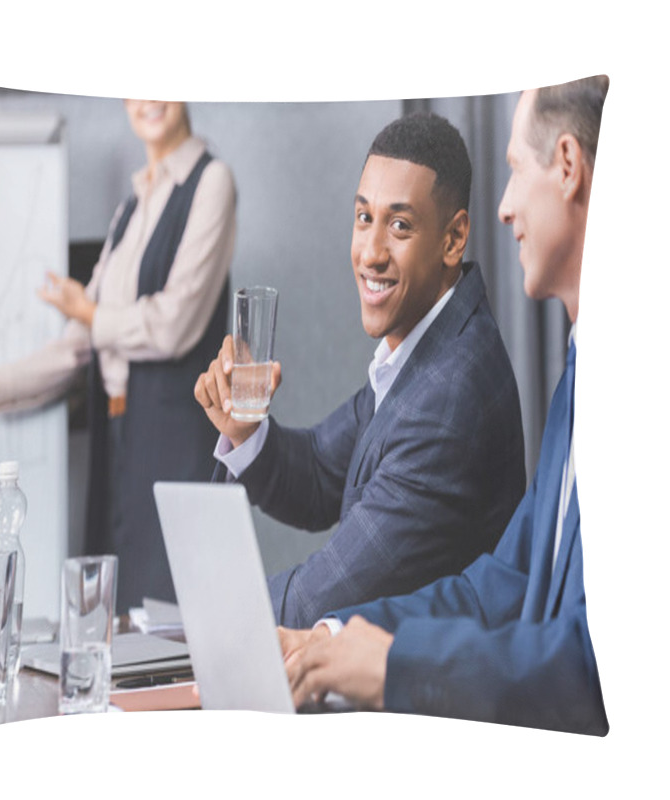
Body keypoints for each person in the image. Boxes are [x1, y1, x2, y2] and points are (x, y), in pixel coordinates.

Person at [281, 76, 610, 736]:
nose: (505, 206)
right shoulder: (580, 372)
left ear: (568, 167)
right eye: (364, 216)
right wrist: (338, 634)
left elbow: (596, 665)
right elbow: (504, 583)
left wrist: (397, 664)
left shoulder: (465, 384)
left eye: (516, 170)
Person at [195, 112, 525, 628]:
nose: (370, 253)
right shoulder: (425, 350)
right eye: (363, 218)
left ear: (454, 238)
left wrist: (204, 619)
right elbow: (319, 477)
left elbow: (317, 599)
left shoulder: (449, 393)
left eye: (399, 225)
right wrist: (246, 429)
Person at [0, 100, 237, 613]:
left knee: (166, 622)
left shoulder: (213, 181)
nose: (149, 99)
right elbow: (78, 342)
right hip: (117, 438)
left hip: (175, 441)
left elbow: (173, 323)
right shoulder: (130, 208)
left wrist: (92, 314)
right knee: (109, 615)